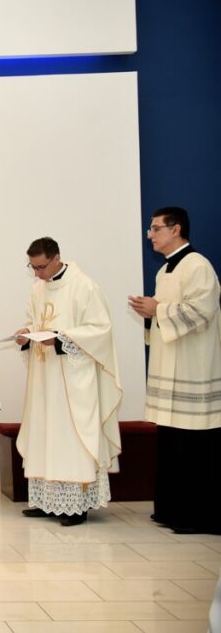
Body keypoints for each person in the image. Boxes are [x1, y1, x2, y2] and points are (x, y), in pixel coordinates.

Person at [14, 237, 122, 526]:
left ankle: (75, 506)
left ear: (56, 258)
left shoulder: (84, 286)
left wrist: (61, 338)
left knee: (70, 436)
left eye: (40, 267)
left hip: (73, 379)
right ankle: (46, 500)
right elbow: (34, 320)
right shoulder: (38, 289)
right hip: (44, 376)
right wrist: (27, 333)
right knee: (45, 433)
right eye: (32, 267)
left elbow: (100, 331)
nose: (37, 273)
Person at [129, 207, 221, 535]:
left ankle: (197, 516)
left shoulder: (197, 266)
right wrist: (151, 312)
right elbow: (169, 314)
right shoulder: (165, 271)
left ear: (176, 229)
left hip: (193, 370)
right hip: (172, 369)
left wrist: (159, 310)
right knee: (172, 442)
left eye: (155, 229)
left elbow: (203, 311)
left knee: (194, 446)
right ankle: (171, 509)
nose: (149, 235)